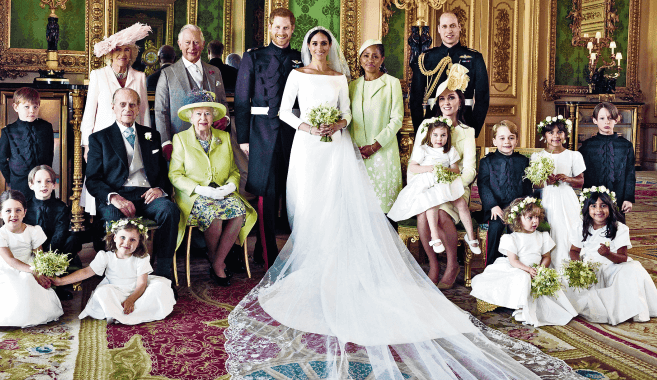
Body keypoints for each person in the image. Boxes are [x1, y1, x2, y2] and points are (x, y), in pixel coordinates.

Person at [223, 26, 576, 380]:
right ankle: (317, 258)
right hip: (310, 147)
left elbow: (351, 114)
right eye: (314, 43)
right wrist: (312, 128)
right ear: (310, 46)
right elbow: (286, 111)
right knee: (309, 203)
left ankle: (369, 262)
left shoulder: (345, 78)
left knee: (347, 205)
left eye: (323, 43)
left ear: (331, 47)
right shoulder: (303, 74)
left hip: (347, 150)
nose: (319, 47)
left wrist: (342, 129)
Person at [85, 88, 180, 281]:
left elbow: (162, 172)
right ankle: (116, 274)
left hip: (147, 195)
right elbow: (93, 180)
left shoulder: (152, 135)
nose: (127, 108)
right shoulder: (99, 138)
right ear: (113, 107)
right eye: (122, 104)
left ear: (138, 109)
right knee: (111, 216)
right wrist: (114, 198)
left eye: (132, 104)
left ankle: (162, 272)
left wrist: (159, 189)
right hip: (117, 194)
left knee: (169, 210)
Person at [235, 8, 303, 268]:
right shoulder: (254, 57)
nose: (282, 33)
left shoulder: (300, 58)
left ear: (293, 29)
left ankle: (292, 251)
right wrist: (244, 138)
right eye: (277, 27)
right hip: (261, 132)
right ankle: (266, 252)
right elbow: (242, 100)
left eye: (286, 28)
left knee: (292, 192)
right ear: (270, 27)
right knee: (267, 192)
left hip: (293, 133)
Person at [168, 90, 257, 286]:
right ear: (191, 117)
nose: (203, 118)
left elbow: (234, 170)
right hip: (194, 195)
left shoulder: (223, 137)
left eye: (207, 113)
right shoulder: (181, 139)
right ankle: (215, 259)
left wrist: (230, 186)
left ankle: (217, 260)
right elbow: (174, 175)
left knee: (239, 212)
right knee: (213, 215)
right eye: (198, 114)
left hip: (222, 192)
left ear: (213, 116)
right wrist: (201, 190)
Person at [414, 63, 478, 288]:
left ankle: (452, 264)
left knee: (441, 214)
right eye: (441, 99)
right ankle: (434, 264)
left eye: (451, 98)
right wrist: (426, 183)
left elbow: (469, 169)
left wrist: (453, 186)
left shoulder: (467, 132)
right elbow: (417, 161)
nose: (446, 103)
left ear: (459, 101)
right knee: (424, 215)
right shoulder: (426, 126)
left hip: (455, 188)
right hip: (429, 184)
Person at [80, 22, 153, 216]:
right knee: (102, 183)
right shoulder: (98, 75)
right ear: (111, 52)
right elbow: (89, 112)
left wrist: (148, 141)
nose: (123, 54)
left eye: (127, 49)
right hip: (103, 142)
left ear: (132, 53)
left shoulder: (139, 77)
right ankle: (102, 228)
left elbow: (144, 112)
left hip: (132, 136)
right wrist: (87, 144)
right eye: (118, 49)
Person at [470, 197, 578, 327]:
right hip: (518, 268)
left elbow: (546, 256)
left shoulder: (542, 236)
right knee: (523, 277)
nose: (535, 221)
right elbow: (513, 261)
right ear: (518, 220)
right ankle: (521, 306)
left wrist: (541, 269)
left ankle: (543, 308)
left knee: (553, 281)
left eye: (537, 217)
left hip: (536, 269)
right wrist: (528, 270)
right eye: (530, 218)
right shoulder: (511, 238)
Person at [52, 218, 176, 324]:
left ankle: (128, 312)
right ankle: (118, 313)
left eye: (133, 240)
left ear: (139, 243)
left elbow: (142, 283)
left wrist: (131, 299)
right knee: (102, 292)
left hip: (137, 290)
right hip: (115, 290)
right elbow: (86, 272)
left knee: (160, 287)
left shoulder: (141, 258)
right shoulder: (105, 256)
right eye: (123, 237)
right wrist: (60, 281)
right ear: (115, 238)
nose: (126, 243)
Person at [388, 118, 481, 257]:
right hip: (427, 183)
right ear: (429, 135)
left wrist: (444, 170)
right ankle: (435, 237)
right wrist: (429, 168)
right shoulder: (423, 149)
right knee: (431, 203)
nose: (439, 139)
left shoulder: (450, 151)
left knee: (461, 203)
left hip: (444, 182)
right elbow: (413, 167)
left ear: (448, 136)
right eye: (435, 135)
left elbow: (455, 170)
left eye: (443, 135)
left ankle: (471, 237)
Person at [565, 189, 657, 325]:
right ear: (587, 209)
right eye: (593, 206)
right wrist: (579, 266)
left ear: (610, 207)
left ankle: (634, 310)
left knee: (632, 270)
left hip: (613, 265)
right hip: (591, 266)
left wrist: (608, 254)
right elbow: (574, 250)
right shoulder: (581, 227)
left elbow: (623, 257)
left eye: (603, 206)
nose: (598, 210)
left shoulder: (619, 228)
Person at [0, 190, 63, 327]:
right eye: (8, 211)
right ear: (0, 214)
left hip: (29, 267)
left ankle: (28, 314)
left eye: (18, 210)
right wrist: (33, 271)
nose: (13, 215)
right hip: (5, 270)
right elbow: (10, 260)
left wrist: (41, 272)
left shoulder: (33, 231)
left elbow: (39, 255)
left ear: (24, 212)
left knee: (27, 281)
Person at [409, 12, 489, 137]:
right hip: (432, 123)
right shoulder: (426, 58)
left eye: (452, 26)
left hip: (464, 122)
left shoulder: (474, 57)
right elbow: (415, 98)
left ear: (459, 27)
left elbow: (482, 98)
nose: (449, 31)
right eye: (445, 26)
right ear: (439, 29)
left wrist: (473, 130)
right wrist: (421, 130)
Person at [155, 24, 228, 161]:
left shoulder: (215, 72)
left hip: (213, 145)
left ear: (203, 44)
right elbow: (161, 111)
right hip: (180, 145)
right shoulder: (167, 74)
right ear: (180, 44)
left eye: (196, 42)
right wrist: (166, 142)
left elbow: (223, 102)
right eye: (187, 42)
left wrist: (226, 118)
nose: (192, 47)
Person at [348, 39, 403, 215]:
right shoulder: (352, 85)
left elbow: (397, 119)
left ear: (382, 59)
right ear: (360, 59)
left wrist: (375, 146)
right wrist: (354, 148)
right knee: (360, 205)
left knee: (383, 206)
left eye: (375, 56)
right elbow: (348, 118)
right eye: (366, 55)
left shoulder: (392, 83)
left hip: (383, 151)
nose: (370, 60)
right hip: (358, 152)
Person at [531, 117, 585, 269]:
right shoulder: (538, 156)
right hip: (547, 197)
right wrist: (545, 181)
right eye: (551, 132)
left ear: (565, 135)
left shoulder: (574, 155)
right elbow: (534, 183)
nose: (556, 136)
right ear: (544, 135)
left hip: (566, 197)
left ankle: (570, 261)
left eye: (560, 132)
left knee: (567, 228)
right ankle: (548, 263)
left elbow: (580, 181)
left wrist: (568, 178)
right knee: (552, 226)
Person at [478, 120, 533, 265]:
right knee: (496, 227)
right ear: (494, 141)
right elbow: (483, 185)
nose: (506, 142)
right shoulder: (487, 162)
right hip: (496, 208)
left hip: (517, 207)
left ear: (516, 140)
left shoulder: (523, 161)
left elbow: (527, 186)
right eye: (502, 138)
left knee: (515, 228)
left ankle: (515, 265)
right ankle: (491, 265)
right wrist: (492, 205)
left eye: (511, 137)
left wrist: (527, 205)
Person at [25, 165, 81, 301]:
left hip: (54, 249)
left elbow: (59, 234)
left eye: (48, 181)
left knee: (73, 238)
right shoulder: (25, 207)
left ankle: (57, 284)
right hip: (31, 247)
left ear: (54, 185)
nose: (43, 185)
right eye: (38, 182)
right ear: (31, 185)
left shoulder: (61, 207)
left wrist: (48, 256)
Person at [0, 87, 54, 200]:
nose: (32, 110)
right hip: (20, 183)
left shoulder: (46, 127)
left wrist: (47, 176)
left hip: (43, 183)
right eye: (27, 107)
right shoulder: (9, 131)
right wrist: (11, 179)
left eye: (35, 107)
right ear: (16, 107)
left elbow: (50, 155)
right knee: (22, 212)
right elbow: (0, 159)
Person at [579, 102, 636, 213]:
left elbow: (630, 174)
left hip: (618, 197)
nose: (606, 121)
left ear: (617, 119)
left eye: (610, 118)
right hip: (592, 198)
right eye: (602, 118)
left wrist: (628, 198)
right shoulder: (587, 145)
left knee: (616, 227)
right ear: (595, 120)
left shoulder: (626, 145)